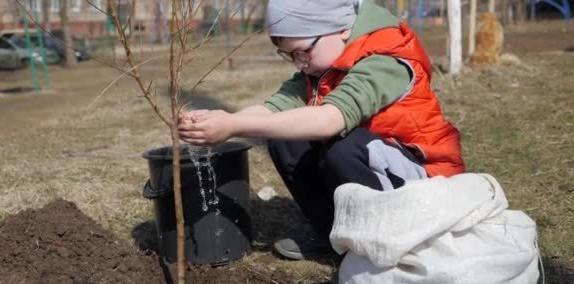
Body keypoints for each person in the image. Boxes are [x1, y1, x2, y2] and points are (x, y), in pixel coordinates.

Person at [178, 0, 465, 260]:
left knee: (344, 148)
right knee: (284, 138)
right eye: (289, 56)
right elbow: (274, 110)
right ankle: (335, 233)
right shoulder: (319, 68)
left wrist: (233, 126)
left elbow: (332, 119)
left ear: (339, 29)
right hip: (380, 162)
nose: (299, 64)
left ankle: (389, 243)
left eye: (303, 52)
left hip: (427, 184)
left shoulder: (386, 58)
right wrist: (224, 120)